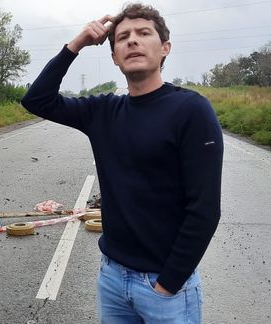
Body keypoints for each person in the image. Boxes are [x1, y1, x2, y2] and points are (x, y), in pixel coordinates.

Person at [21, 3, 223, 323]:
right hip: (113, 278)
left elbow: (205, 208)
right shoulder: (103, 111)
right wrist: (77, 44)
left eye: (144, 33)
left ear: (164, 48)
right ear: (114, 56)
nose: (132, 41)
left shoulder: (191, 110)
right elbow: (36, 100)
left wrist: (168, 283)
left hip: (165, 287)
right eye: (123, 37)